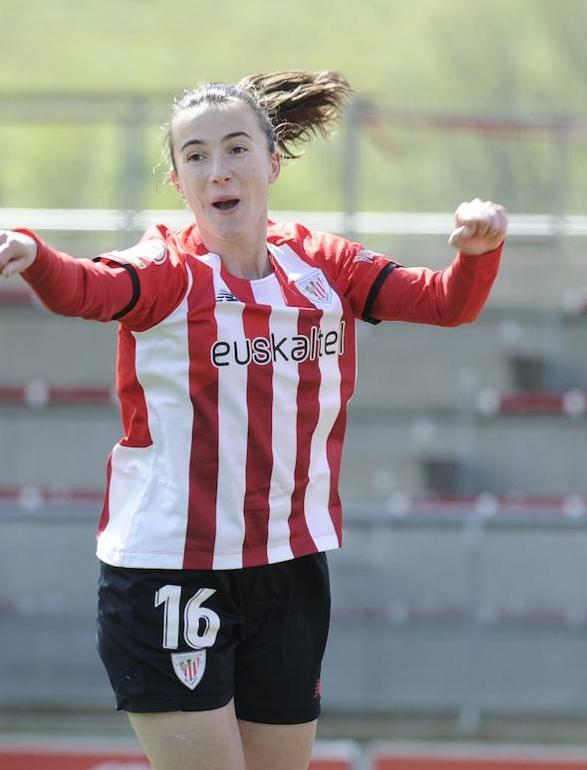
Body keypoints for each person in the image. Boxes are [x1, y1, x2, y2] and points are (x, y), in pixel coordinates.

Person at [0, 70, 507, 770]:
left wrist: (476, 256)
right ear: (178, 182)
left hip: (289, 566)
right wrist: (32, 253)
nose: (219, 170)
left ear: (271, 163)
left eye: (236, 149)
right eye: (196, 156)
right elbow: (88, 287)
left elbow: (447, 303)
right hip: (172, 571)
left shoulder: (323, 266)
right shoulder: (168, 272)